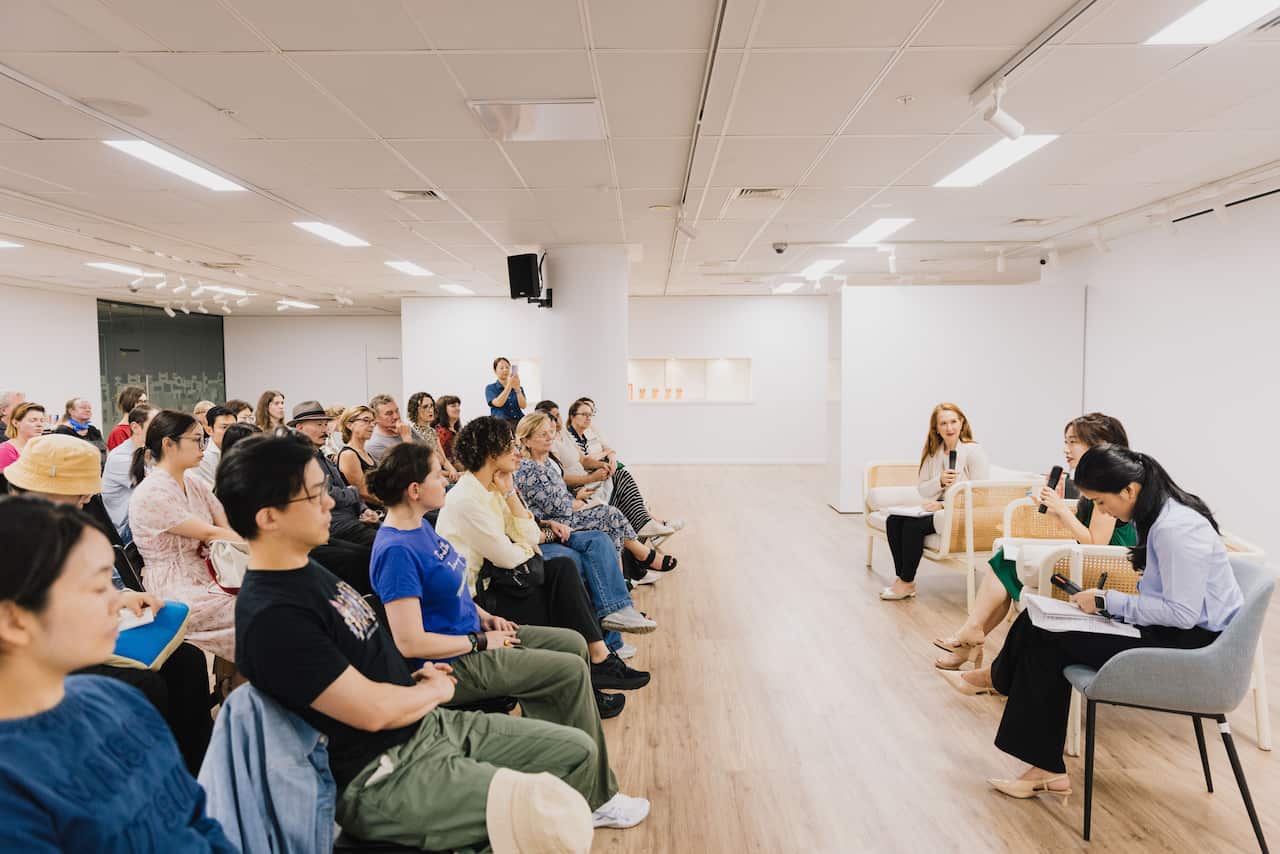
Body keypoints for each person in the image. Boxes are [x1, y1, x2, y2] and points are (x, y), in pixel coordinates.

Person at [218, 433, 649, 851]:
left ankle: (589, 799)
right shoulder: (273, 616)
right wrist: (436, 686)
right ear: (267, 517)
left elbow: (374, 648)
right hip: (386, 772)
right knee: (541, 815)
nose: (331, 501)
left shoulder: (308, 572)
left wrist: (423, 676)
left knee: (578, 751)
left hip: (424, 724)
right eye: (315, 496)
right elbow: (371, 711)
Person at [940, 444, 1244, 804]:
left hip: (1193, 646)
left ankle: (1026, 733)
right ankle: (1023, 728)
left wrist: (1105, 601)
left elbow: (1182, 614)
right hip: (1174, 632)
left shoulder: (1176, 529)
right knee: (1035, 620)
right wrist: (1105, 606)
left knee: (1045, 639)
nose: (1101, 511)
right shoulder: (1161, 516)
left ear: (1129, 490)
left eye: (1101, 502)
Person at [370, 446, 631, 767]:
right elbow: (409, 643)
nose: (445, 480)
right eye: (437, 475)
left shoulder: (420, 527)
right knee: (569, 670)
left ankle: (565, 751)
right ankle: (587, 778)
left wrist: (484, 617)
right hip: (453, 662)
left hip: (474, 635)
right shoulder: (395, 551)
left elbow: (452, 588)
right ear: (414, 490)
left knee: (574, 643)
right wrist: (480, 640)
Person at [0, 497, 234, 850]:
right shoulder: (14, 785)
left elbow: (197, 820)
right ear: (15, 621)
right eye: (96, 589)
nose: (116, 603)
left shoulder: (120, 701)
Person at [4, 437, 214, 775]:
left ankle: (194, 774)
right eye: (79, 495)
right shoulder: (14, 534)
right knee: (143, 684)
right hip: (37, 651)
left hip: (81, 632)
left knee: (186, 661)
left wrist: (120, 597)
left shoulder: (71, 527)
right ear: (42, 489)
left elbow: (98, 585)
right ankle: (150, 776)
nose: (87, 500)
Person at [437, 417, 649, 714]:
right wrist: (527, 547)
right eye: (510, 446)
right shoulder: (466, 499)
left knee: (562, 569)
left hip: (501, 581)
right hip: (478, 602)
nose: (517, 452)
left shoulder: (492, 488)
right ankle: (590, 680)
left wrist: (510, 496)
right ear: (490, 453)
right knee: (558, 592)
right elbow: (510, 555)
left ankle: (598, 660)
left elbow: (532, 535)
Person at [933, 413, 1136, 669]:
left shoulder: (1109, 482)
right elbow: (1090, 535)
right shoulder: (1101, 479)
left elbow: (1095, 543)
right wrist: (1057, 512)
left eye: (1072, 441)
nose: (1065, 449)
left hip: (1106, 570)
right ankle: (969, 639)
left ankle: (968, 638)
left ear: (1099, 443)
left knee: (1005, 561)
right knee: (1004, 557)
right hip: (1093, 561)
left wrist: (1061, 510)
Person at [129, 410, 242, 660]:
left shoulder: (194, 483)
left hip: (207, 574)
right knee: (252, 608)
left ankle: (242, 679)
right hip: (173, 586)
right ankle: (243, 682)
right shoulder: (152, 492)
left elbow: (223, 529)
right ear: (169, 444)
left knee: (269, 598)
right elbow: (211, 532)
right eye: (196, 440)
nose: (203, 447)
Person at [517, 412, 676, 577]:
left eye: (550, 432)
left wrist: (575, 502)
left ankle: (628, 569)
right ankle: (639, 559)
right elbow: (559, 507)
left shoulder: (545, 462)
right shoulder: (529, 469)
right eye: (543, 434)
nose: (550, 437)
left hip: (566, 512)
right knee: (610, 515)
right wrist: (575, 503)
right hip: (554, 523)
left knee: (612, 510)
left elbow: (561, 495)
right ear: (526, 441)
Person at [879, 402, 990, 602]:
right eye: (944, 423)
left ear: (962, 422)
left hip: (960, 510)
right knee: (893, 521)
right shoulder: (933, 452)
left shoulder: (973, 451)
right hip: (936, 507)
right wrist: (939, 481)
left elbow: (981, 494)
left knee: (912, 527)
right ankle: (904, 579)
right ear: (936, 429)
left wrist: (945, 505)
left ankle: (905, 582)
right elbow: (922, 488)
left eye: (954, 422)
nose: (950, 428)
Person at [289, 402, 381, 595]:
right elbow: (328, 493)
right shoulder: (301, 458)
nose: (324, 429)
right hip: (333, 521)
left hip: (349, 516)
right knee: (380, 544)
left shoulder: (321, 455)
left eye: (325, 424)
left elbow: (342, 489)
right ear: (300, 428)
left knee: (389, 537)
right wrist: (354, 493)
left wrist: (364, 509)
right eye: (318, 425)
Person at [564, 399, 681, 542]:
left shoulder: (589, 433)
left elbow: (608, 449)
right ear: (572, 416)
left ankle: (650, 526)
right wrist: (603, 460)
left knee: (626, 482)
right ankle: (649, 526)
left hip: (600, 474)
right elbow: (585, 460)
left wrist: (609, 458)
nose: (589, 418)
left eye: (591, 414)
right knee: (623, 478)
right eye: (584, 414)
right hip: (589, 483)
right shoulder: (568, 438)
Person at [101, 404, 157, 540]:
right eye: (154, 425)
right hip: (125, 529)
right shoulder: (120, 457)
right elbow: (155, 488)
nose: (160, 430)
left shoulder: (149, 451)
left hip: (140, 520)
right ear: (135, 427)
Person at [406, 392, 460, 481]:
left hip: (440, 475)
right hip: (427, 479)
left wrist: (452, 470)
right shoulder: (414, 434)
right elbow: (424, 468)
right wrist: (451, 473)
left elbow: (444, 460)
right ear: (415, 410)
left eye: (431, 406)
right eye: (425, 407)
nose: (430, 410)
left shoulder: (432, 431)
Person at [337, 405, 382, 510]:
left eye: (373, 422)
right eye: (366, 420)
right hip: (366, 513)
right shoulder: (348, 454)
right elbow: (363, 492)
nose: (371, 425)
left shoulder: (365, 453)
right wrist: (393, 504)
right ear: (349, 425)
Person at [191, 406, 238, 488]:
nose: (231, 431)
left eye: (234, 427)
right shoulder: (203, 458)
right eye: (224, 427)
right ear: (209, 430)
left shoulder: (238, 449)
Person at [54, 397, 107, 467]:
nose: (88, 410)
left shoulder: (93, 430)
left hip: (98, 473)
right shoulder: (63, 431)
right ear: (71, 411)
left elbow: (105, 452)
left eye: (89, 408)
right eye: (83, 408)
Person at [0, 402, 45, 473]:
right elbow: (6, 483)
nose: (39, 425)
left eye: (42, 420)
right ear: (15, 423)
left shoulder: (42, 447)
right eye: (33, 420)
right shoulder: (5, 450)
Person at [106, 385, 147, 450]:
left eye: (145, 402)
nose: (144, 405)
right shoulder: (118, 432)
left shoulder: (144, 428)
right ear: (129, 402)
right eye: (140, 401)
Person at [433, 395, 462, 465]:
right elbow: (441, 459)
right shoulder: (441, 432)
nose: (458, 409)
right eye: (453, 406)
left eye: (458, 406)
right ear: (443, 410)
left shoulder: (456, 431)